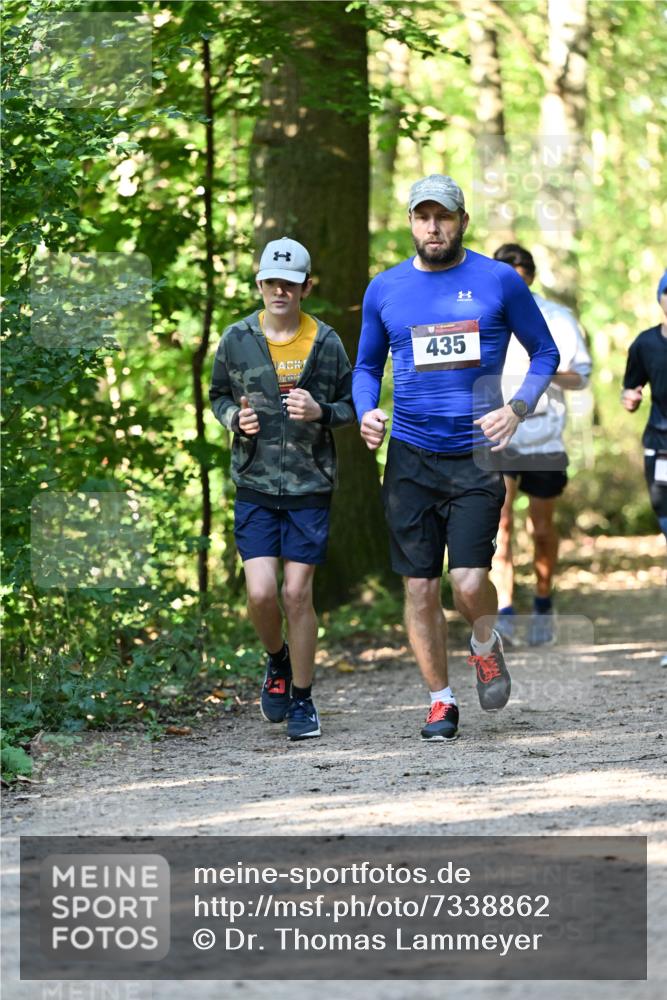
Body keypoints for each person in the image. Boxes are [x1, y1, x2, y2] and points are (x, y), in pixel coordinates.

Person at [353, 174, 560, 742]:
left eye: (443, 216)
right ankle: (440, 701)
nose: (433, 227)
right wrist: (367, 410)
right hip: (411, 458)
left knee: (469, 584)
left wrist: (517, 408)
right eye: (423, 217)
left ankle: (485, 643)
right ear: (411, 224)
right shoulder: (386, 288)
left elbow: (545, 351)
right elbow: (367, 366)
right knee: (419, 587)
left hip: (477, 453)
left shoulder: (497, 281)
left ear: (462, 221)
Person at [209, 237, 355, 738]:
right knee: (261, 592)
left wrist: (321, 412)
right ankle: (276, 660)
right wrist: (234, 418)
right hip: (254, 484)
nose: (280, 291)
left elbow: (351, 405)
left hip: (309, 486)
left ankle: (303, 699)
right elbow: (217, 394)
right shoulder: (236, 338)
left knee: (297, 593)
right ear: (260, 284)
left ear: (305, 287)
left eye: (290, 284)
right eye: (272, 282)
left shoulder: (327, 342)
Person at [490, 244, 593, 646]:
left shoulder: (557, 318)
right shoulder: (483, 316)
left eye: (518, 274)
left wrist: (547, 372)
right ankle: (504, 611)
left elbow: (581, 377)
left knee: (542, 527)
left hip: (544, 436)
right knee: (499, 525)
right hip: (497, 434)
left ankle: (544, 605)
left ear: (530, 277)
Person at [621, 269, 667, 667]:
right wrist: (630, 399)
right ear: (661, 299)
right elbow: (629, 388)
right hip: (661, 448)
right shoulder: (646, 344)